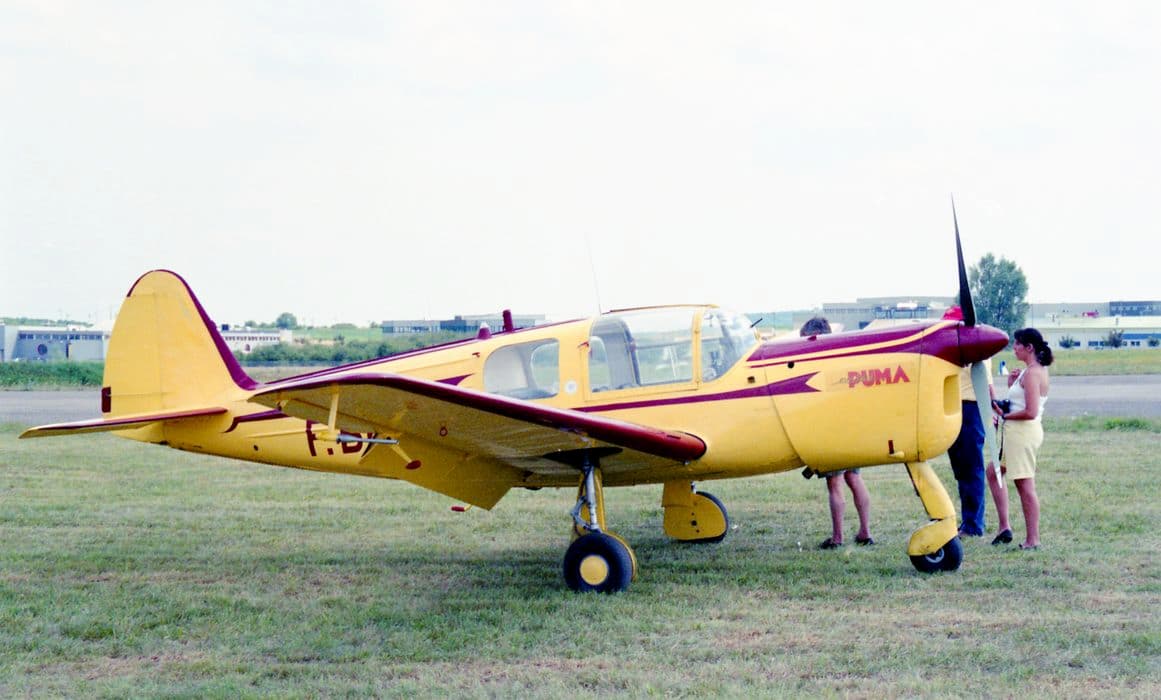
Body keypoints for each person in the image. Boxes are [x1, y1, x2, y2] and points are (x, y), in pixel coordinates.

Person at [800, 316, 873, 549]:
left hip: (831, 430)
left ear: (813, 336)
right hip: (851, 428)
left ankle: (837, 537)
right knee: (854, 478)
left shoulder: (816, 364)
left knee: (835, 483)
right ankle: (865, 532)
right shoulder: (844, 359)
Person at [987, 327, 1053, 549]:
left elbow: (1031, 411)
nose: (1014, 348)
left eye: (1017, 344)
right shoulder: (1029, 371)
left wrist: (1004, 415)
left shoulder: (1033, 374)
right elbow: (1020, 403)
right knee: (994, 472)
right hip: (1015, 432)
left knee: (1024, 485)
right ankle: (1004, 526)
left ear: (1029, 348)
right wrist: (1011, 386)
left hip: (1022, 433)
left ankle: (1033, 540)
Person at [942, 307, 995, 538]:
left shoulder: (974, 348)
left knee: (971, 468)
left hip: (971, 407)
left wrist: (991, 408)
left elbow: (987, 383)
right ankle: (968, 520)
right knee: (961, 469)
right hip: (953, 407)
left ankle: (973, 524)